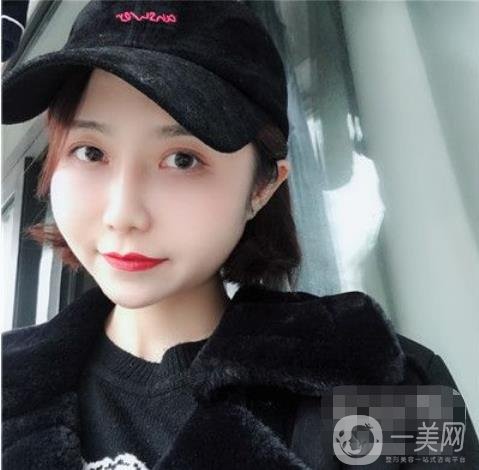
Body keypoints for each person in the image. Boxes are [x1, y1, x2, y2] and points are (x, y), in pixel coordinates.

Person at [2, 1, 478, 469]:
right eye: (90, 152)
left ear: (262, 187)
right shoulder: (10, 385)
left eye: (182, 160)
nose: (123, 213)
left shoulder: (384, 386)